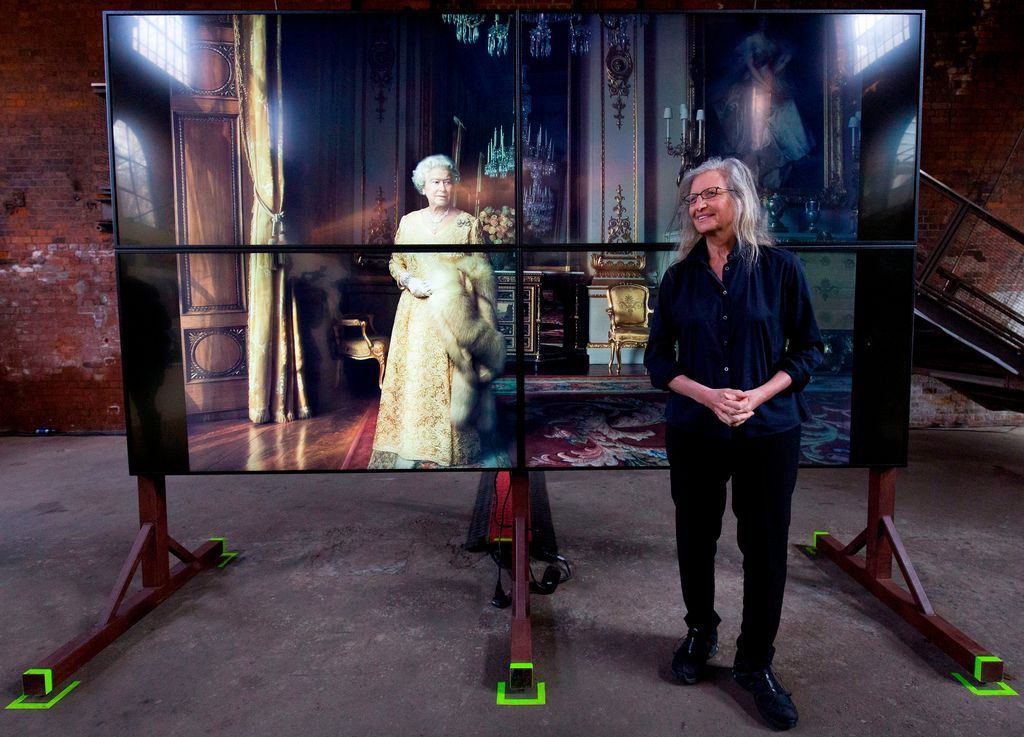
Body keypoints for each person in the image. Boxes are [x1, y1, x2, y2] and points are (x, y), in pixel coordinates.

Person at [644, 157, 823, 730]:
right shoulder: (677, 279)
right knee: (695, 536)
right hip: (696, 430)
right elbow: (658, 360)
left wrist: (757, 393)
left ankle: (754, 663)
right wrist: (707, 395)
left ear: (739, 198)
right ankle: (701, 632)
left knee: (765, 545)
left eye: (709, 194)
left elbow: (808, 350)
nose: (698, 206)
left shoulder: (781, 269)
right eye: (691, 199)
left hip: (768, 431)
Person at [368, 155, 505, 469]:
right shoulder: (409, 222)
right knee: (415, 377)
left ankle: (452, 446)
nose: (442, 187)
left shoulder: (467, 223)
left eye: (447, 181)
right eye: (435, 182)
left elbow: (482, 270)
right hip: (414, 314)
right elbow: (395, 263)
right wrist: (409, 281)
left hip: (454, 314)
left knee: (455, 377)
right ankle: (413, 441)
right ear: (423, 187)